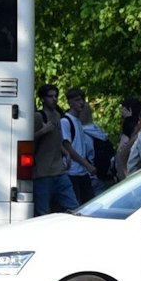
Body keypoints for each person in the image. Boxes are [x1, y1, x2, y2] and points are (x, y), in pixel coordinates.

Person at [31, 84, 79, 215]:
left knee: (74, 206)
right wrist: (42, 131)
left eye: (56, 96)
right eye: (50, 96)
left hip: (59, 171)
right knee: (43, 213)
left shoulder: (58, 115)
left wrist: (66, 153)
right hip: (42, 173)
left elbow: (56, 140)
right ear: (42, 99)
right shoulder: (38, 116)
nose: (54, 99)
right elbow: (27, 141)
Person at [60, 88, 100, 203]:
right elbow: (68, 146)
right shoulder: (66, 121)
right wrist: (87, 164)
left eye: (82, 100)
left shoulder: (78, 121)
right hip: (72, 171)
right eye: (77, 100)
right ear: (70, 102)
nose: (81, 103)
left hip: (82, 172)